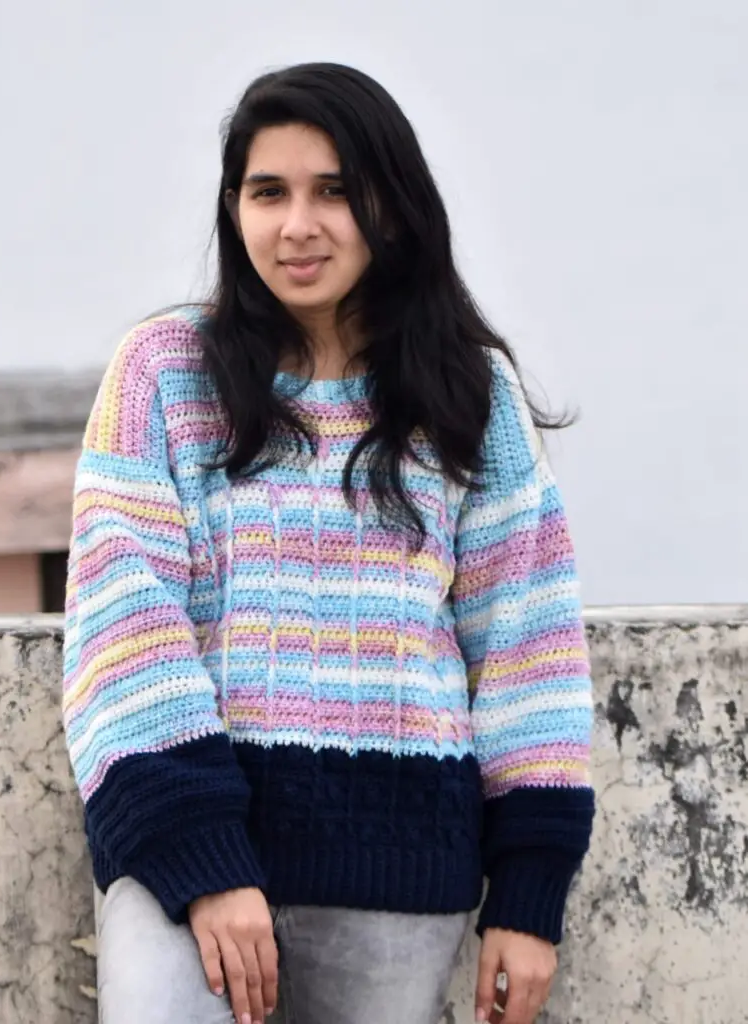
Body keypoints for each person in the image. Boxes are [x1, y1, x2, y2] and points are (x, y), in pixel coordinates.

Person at [62, 62, 594, 1024]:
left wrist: (529, 897)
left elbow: (529, 648)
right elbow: (123, 625)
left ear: (391, 206)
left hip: (397, 874)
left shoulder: (469, 398)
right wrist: (202, 856)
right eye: (268, 193)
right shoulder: (162, 375)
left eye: (335, 191)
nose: (297, 225)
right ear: (235, 211)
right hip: (188, 872)